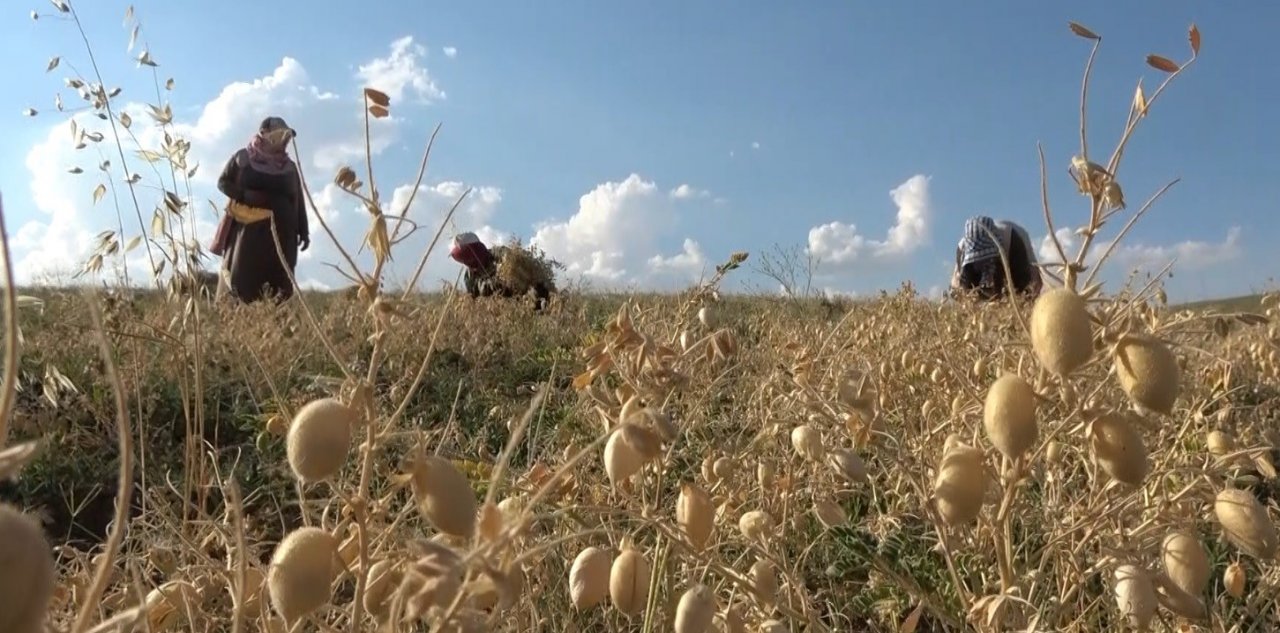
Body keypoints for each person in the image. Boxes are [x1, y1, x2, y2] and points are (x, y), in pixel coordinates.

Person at [210, 116, 310, 304]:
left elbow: (297, 199)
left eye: (287, 137)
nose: (285, 140)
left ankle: (276, 328)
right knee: (242, 279)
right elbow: (222, 183)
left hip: (283, 234)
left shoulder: (290, 167)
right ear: (263, 133)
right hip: (248, 233)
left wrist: (303, 230)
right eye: (280, 134)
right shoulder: (242, 158)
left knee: (279, 285)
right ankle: (238, 323)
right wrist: (244, 195)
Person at [448, 232, 553, 309]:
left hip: (525, 299)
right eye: (462, 259)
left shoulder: (501, 255)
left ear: (477, 250)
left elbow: (523, 277)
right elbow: (474, 302)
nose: (467, 261)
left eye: (468, 256)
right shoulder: (470, 276)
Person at [950, 215, 1042, 301]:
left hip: (1015, 257)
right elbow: (958, 290)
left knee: (1031, 288)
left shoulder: (1013, 240)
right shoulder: (962, 249)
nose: (983, 262)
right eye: (978, 259)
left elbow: (1027, 283)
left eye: (986, 258)